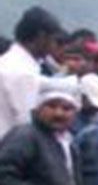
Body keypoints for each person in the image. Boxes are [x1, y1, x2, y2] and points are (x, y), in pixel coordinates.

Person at [0, 8, 65, 136]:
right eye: (53, 40)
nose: (54, 45)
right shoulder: (22, 72)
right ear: (42, 37)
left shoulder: (8, 62)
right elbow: (26, 122)